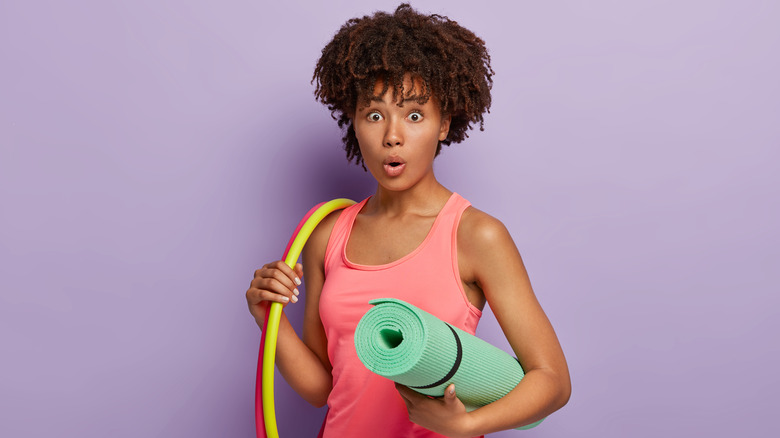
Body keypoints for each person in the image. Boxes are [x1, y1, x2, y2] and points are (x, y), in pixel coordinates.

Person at [246, 4, 570, 437]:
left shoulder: (476, 235)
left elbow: (552, 381)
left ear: (443, 124)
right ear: (354, 122)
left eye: (414, 115)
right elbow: (323, 387)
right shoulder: (328, 235)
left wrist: (468, 424)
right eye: (374, 114)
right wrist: (268, 317)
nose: (392, 135)